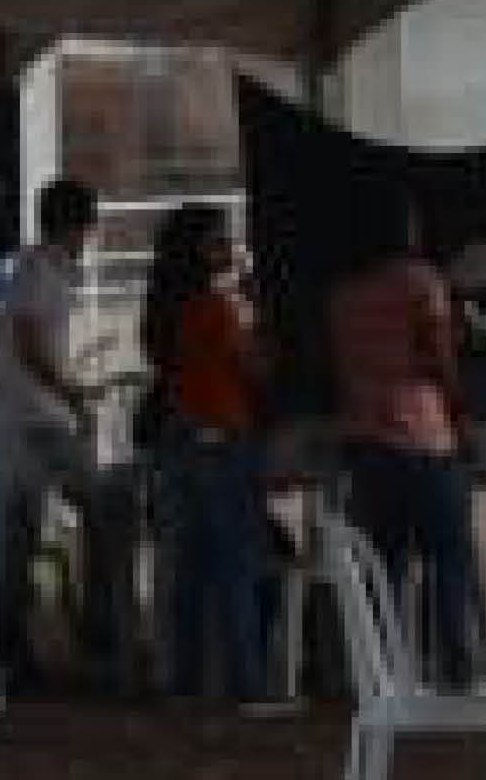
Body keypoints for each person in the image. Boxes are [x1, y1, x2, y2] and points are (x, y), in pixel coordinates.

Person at [329, 186, 486, 688]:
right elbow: (441, 359)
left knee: (384, 567)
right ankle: (460, 672)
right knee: (451, 559)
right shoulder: (422, 281)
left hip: (364, 439)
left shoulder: (343, 294)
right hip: (423, 436)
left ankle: (387, 673)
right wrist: (463, 413)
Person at [137, 203, 290, 713]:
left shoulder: (162, 308)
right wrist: (260, 314)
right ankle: (248, 681)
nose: (231, 247)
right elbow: (257, 369)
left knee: (185, 566)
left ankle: (182, 680)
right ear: (200, 251)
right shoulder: (217, 308)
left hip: (178, 439)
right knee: (239, 563)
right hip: (226, 437)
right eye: (221, 240)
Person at [0, 176, 99, 690]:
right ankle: (16, 648)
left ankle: (19, 646)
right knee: (87, 510)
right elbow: (29, 345)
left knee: (23, 538)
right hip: (29, 421)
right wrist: (71, 392)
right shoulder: (36, 271)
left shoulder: (49, 271)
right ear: (75, 226)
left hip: (35, 416)